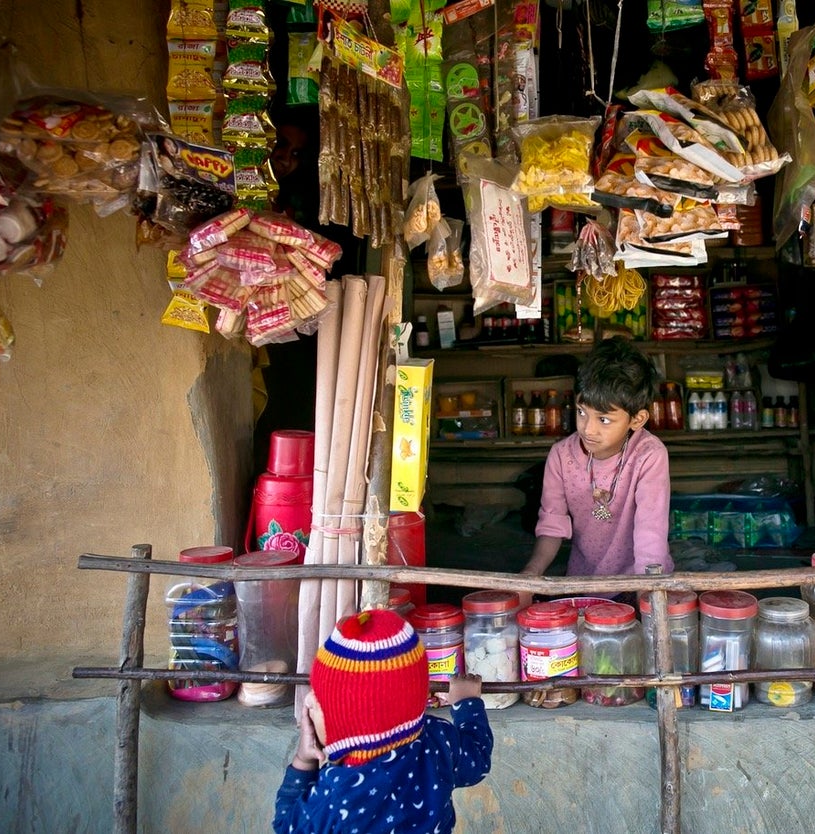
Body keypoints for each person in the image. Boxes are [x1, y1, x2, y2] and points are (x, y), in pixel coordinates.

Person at [272, 609, 493, 834]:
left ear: (348, 725)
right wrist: (467, 703)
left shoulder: (337, 794)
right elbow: (478, 759)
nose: (308, 701)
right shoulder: (438, 740)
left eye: (318, 699)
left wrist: (303, 761)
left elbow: (285, 826)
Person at [519, 337, 674, 591]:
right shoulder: (561, 456)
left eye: (603, 420)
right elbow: (552, 524)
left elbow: (651, 532)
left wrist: (649, 592)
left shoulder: (649, 455)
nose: (587, 429)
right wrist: (531, 573)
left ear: (637, 419)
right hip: (582, 581)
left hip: (639, 582)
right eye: (581, 412)